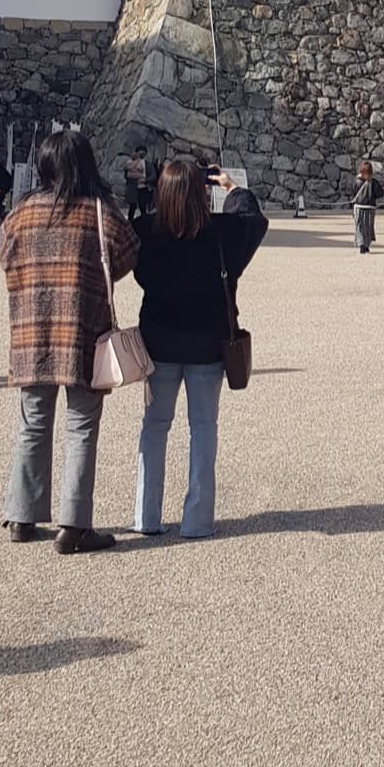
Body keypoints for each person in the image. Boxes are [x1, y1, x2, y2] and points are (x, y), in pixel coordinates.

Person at [0, 130, 138, 553]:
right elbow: (129, 254)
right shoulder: (100, 212)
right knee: (81, 427)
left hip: (31, 331)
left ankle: (22, 516)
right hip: (83, 330)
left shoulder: (21, 213)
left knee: (33, 423)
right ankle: (74, 526)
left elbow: (6, 258)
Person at [130, 160, 266, 539]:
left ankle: (146, 516)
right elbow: (254, 219)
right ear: (201, 192)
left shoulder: (146, 232)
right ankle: (197, 520)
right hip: (208, 342)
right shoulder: (223, 232)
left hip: (159, 340)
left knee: (154, 428)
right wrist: (231, 187)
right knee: (203, 429)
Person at [352, 160, 383, 254]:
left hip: (358, 206)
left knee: (359, 226)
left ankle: (361, 244)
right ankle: (366, 245)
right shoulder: (374, 182)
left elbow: (352, 193)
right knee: (368, 227)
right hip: (370, 207)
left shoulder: (357, 181)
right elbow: (380, 193)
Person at [124, 145, 153, 222]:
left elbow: (153, 176)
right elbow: (126, 175)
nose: (141, 153)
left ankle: (144, 223)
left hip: (143, 189)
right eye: (140, 151)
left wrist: (145, 180)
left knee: (143, 208)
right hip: (133, 188)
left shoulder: (148, 164)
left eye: (143, 152)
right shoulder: (130, 163)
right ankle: (130, 223)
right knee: (132, 208)